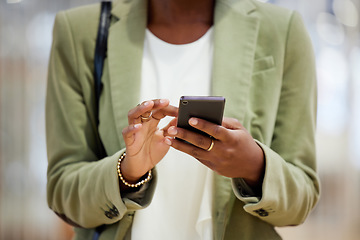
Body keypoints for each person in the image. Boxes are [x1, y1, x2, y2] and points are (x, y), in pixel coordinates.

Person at [46, 0, 320, 239]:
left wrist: (254, 166)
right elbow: (62, 191)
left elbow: (302, 200)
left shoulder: (281, 30)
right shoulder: (80, 31)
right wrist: (126, 173)